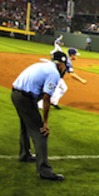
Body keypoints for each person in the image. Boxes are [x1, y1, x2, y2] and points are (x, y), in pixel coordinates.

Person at [11, 51, 70, 181]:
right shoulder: (54, 74)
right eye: (65, 66)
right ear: (61, 65)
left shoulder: (43, 65)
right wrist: (45, 122)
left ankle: (25, 154)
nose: (65, 69)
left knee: (25, 126)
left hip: (16, 94)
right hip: (25, 98)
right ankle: (44, 170)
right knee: (41, 133)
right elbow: (47, 98)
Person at [39, 45, 87, 110]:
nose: (76, 57)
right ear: (72, 55)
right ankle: (40, 104)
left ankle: (54, 102)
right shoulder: (68, 62)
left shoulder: (65, 58)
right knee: (51, 91)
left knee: (63, 88)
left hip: (57, 76)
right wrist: (82, 80)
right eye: (75, 55)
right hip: (55, 77)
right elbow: (72, 75)